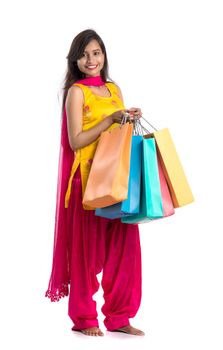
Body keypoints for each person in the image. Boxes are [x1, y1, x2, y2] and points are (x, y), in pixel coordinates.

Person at [45, 29, 144, 337]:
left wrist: (129, 118)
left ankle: (120, 316)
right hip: (87, 180)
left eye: (96, 53)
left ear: (104, 56)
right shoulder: (77, 92)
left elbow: (119, 136)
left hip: (116, 176)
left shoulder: (114, 89)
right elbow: (77, 141)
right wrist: (108, 120)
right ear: (75, 59)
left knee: (124, 249)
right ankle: (84, 317)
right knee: (88, 251)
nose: (91, 60)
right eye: (84, 54)